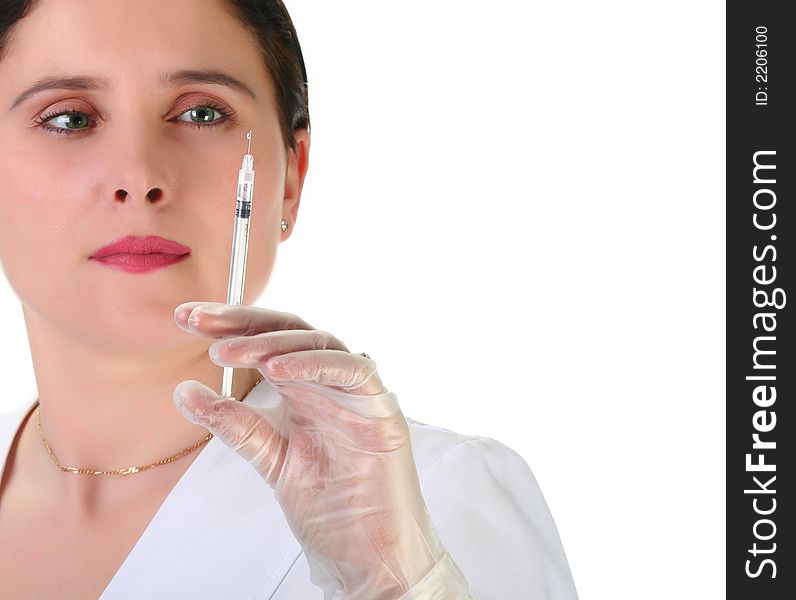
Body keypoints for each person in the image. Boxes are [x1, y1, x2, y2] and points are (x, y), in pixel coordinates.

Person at [0, 1, 579, 598]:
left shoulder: (432, 504)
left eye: (202, 112)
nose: (139, 173)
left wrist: (397, 583)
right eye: (69, 119)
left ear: (290, 180)